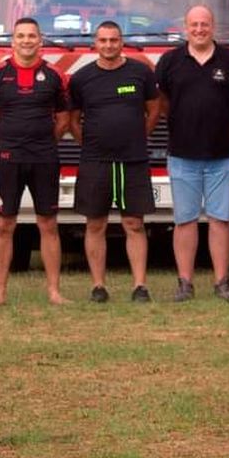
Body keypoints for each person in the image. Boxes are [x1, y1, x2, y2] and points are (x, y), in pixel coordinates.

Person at [155, 5, 229, 301]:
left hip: (222, 154)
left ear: (213, 26)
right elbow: (163, 102)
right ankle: (185, 283)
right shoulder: (170, 62)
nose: (199, 29)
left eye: (204, 24)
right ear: (186, 27)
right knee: (185, 220)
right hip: (182, 155)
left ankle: (222, 282)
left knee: (221, 219)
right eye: (194, 24)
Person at [0, 17, 70, 305]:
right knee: (4, 225)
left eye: (32, 36)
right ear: (13, 41)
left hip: (44, 158)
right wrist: (5, 145)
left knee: (48, 224)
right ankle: (0, 292)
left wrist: (44, 142)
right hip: (9, 159)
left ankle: (54, 292)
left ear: (40, 40)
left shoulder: (55, 75)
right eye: (21, 36)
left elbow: (64, 118)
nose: (27, 40)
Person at [68, 22, 160, 303]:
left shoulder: (140, 73)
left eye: (114, 40)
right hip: (95, 161)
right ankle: (98, 286)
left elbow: (154, 110)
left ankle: (140, 286)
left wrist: (135, 137)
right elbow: (72, 120)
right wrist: (92, 143)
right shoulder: (81, 78)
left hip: (133, 160)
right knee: (95, 224)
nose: (108, 45)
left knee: (134, 223)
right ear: (94, 43)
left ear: (122, 42)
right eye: (103, 40)